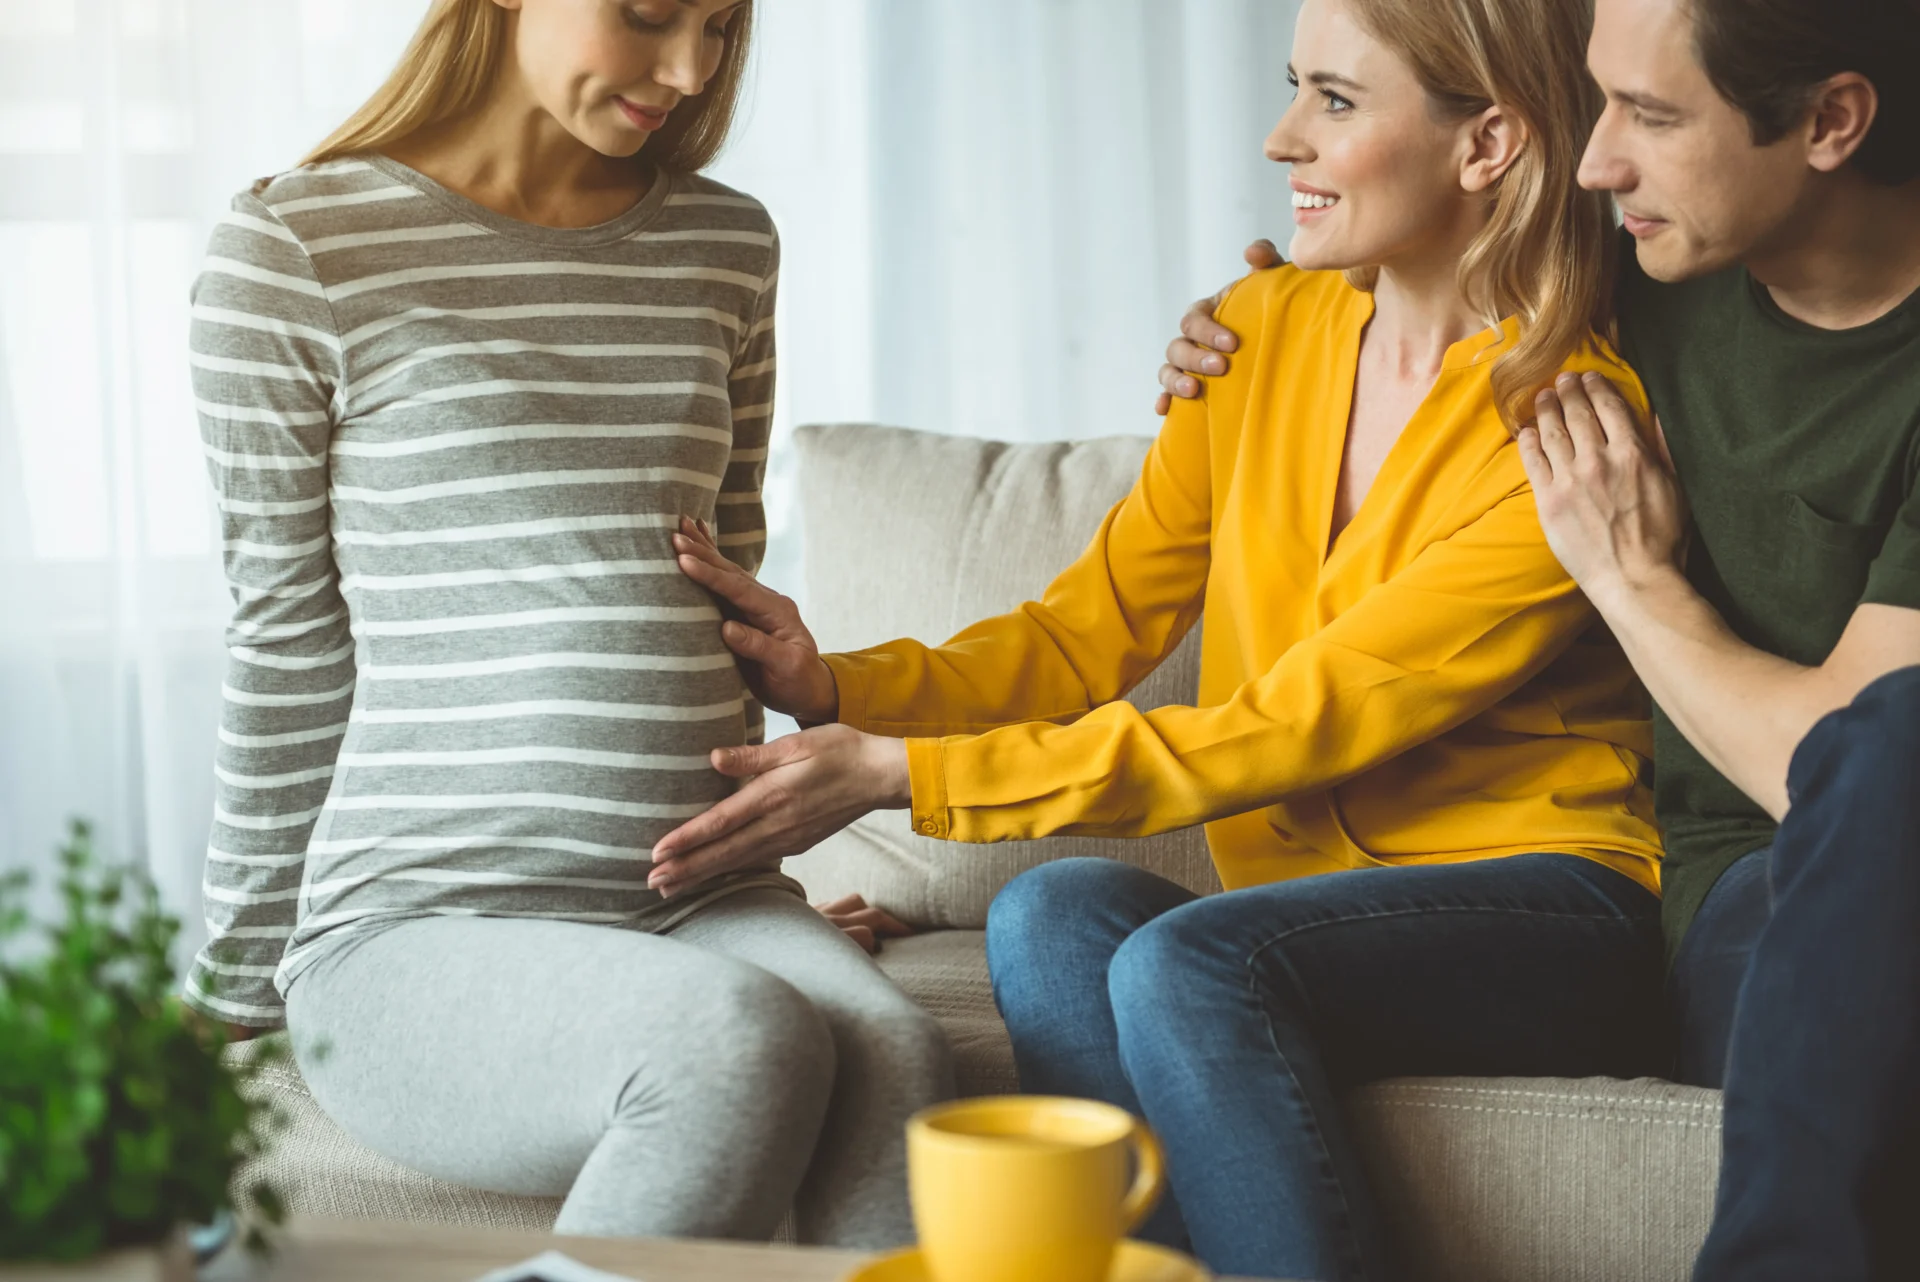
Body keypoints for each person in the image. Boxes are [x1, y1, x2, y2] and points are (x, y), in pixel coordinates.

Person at [651, 0, 1671, 1276]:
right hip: (1304, 913)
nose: (1281, 137)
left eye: (1336, 101)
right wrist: (839, 685)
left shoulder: (1565, 427)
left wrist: (901, 777)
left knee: (1189, 962)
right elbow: (1087, 632)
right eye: (1293, 86)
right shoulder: (1257, 339)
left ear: (1488, 146)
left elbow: (1286, 724)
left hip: (1548, 910)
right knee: (1052, 915)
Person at [1158, 0, 1920, 1276]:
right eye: (1598, 101)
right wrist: (1257, 318)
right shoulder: (1642, 264)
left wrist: (1631, 583)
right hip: (1737, 885)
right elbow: (1423, 244)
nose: (1595, 161)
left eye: (1654, 116)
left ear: (1832, 121)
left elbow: (1844, 766)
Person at [178, 0, 950, 1248]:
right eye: (648, 16)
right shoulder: (301, 247)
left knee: (896, 1057)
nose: (693, 70)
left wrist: (772, 898)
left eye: (719, 24)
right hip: (425, 920)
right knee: (729, 1036)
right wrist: (233, 980)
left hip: (706, 896)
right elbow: (286, 637)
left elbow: (725, 567)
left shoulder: (724, 242)